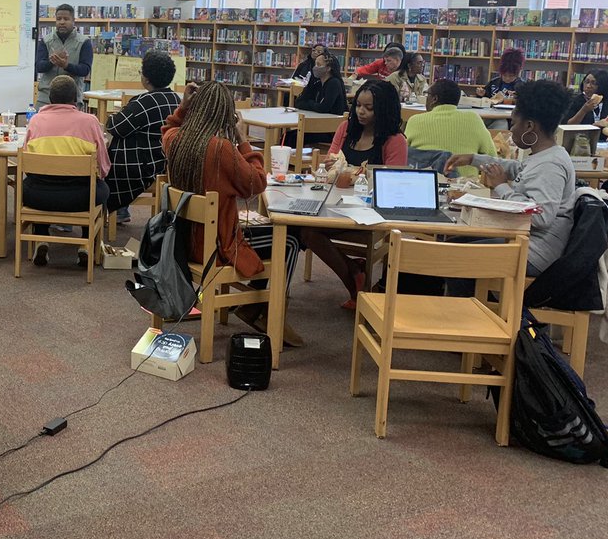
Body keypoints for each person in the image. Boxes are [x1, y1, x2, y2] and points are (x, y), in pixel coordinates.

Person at [162, 81, 301, 338]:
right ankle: (263, 308)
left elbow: (169, 127)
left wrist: (183, 106)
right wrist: (243, 140)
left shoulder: (175, 140)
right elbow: (255, 183)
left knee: (282, 237)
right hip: (218, 244)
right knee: (292, 239)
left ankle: (256, 305)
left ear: (194, 109)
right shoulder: (220, 148)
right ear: (227, 115)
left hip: (182, 243)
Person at [445, 80, 575, 279]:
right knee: (452, 243)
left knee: (453, 258)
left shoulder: (552, 165)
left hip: (535, 253)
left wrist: (502, 187)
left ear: (530, 126)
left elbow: (541, 216)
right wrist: (474, 158)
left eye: (513, 123)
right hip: (522, 240)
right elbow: (518, 169)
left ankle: (471, 306)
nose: (511, 130)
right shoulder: (544, 155)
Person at [302, 80, 407, 308]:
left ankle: (353, 280)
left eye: (369, 108)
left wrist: (353, 174)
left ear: (384, 109)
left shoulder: (394, 141)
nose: (361, 111)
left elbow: (392, 184)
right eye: (358, 105)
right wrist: (331, 165)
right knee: (302, 227)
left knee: (309, 231)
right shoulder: (346, 129)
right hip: (335, 204)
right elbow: (331, 168)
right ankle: (353, 271)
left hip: (370, 213)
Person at [24, 75, 111, 267]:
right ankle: (86, 245)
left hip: (39, 197)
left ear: (50, 99)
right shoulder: (90, 122)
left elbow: (27, 163)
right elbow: (103, 166)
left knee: (35, 181)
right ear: (76, 98)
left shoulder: (36, 121)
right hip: (81, 197)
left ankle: (41, 238)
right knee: (103, 188)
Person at [104, 50, 181, 223]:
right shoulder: (176, 100)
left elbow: (115, 126)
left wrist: (115, 114)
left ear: (146, 79)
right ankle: (122, 209)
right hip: (168, 164)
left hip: (143, 168)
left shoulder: (143, 102)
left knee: (111, 151)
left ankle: (117, 207)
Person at [404, 79, 495, 177]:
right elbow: (492, 156)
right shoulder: (474, 119)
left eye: (427, 95)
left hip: (426, 182)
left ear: (434, 99)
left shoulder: (415, 121)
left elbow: (404, 154)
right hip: (464, 187)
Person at [35, 4, 93, 107]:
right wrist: (52, 61)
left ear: (73, 20)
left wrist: (66, 66)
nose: (62, 22)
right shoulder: (46, 41)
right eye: (58, 19)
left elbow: (85, 70)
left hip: (71, 99)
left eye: (66, 19)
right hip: (46, 98)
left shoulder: (84, 42)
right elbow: (39, 67)